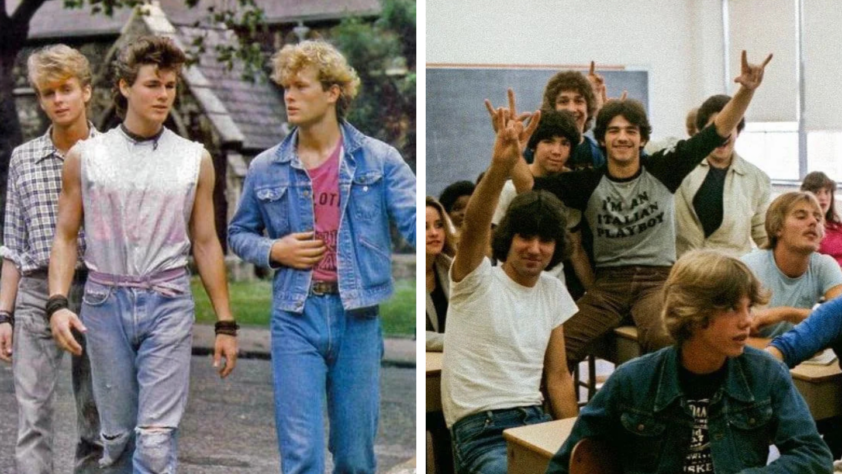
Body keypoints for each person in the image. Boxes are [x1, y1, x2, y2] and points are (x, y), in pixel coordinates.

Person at [48, 36, 238, 472]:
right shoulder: (86, 157)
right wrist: (58, 303)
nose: (163, 95)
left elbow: (207, 242)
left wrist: (226, 322)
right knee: (116, 441)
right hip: (104, 303)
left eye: (170, 86)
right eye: (153, 84)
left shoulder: (194, 159)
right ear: (124, 87)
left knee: (155, 441)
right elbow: (65, 235)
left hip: (168, 302)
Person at [517, 51, 773, 370]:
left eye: (630, 131)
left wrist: (746, 90)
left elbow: (716, 132)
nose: (622, 137)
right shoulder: (587, 181)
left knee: (668, 342)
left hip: (658, 280)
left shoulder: (665, 169)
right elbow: (527, 185)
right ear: (602, 139)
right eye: (613, 131)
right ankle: (559, 420)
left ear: (642, 139)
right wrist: (511, 150)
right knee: (556, 347)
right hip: (608, 284)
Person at [228, 39, 416, 473]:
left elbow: (416, 222)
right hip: (296, 315)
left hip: (358, 318)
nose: (289, 96)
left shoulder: (379, 159)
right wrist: (274, 249)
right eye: (285, 87)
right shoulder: (266, 167)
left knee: (354, 457)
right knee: (303, 456)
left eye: (300, 86)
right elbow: (238, 233)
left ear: (333, 92)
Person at [547, 250, 833, 474]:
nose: (748, 320)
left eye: (748, 307)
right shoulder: (633, 381)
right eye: (733, 308)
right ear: (693, 313)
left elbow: (813, 455)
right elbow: (567, 463)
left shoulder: (765, 373)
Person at [442, 101, 578, 474]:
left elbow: (559, 377)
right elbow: (473, 225)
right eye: (525, 237)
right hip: (481, 429)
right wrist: (502, 165)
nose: (535, 248)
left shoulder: (552, 291)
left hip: (537, 421)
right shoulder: (475, 278)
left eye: (546, 240)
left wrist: (576, 441)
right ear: (507, 238)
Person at [0, 44, 103, 474]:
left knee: (96, 416)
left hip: (98, 290)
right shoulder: (24, 159)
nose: (58, 100)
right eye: (48, 92)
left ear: (86, 92)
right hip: (38, 291)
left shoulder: (111, 154)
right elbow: (12, 245)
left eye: (66, 89)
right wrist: (3, 314)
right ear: (40, 99)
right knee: (33, 416)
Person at [490, 109, 594, 297]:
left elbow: (576, 251)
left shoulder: (570, 189)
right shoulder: (509, 188)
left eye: (564, 144)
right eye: (548, 141)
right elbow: (489, 245)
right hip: (510, 287)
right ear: (533, 145)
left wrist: (595, 294)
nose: (556, 151)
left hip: (553, 287)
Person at [675, 94, 771, 257]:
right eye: (715, 128)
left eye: (730, 127)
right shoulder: (679, 165)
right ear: (701, 133)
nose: (722, 134)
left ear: (738, 131)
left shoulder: (757, 179)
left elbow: (764, 236)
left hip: (732, 273)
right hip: (684, 270)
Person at [741, 191, 842, 337]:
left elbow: (839, 317)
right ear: (777, 228)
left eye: (818, 218)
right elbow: (726, 338)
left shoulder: (824, 265)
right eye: (801, 216)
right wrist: (788, 349)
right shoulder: (748, 268)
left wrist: (784, 313)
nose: (813, 222)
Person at [541, 66, 604, 170]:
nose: (571, 109)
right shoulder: (537, 151)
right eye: (563, 101)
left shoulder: (597, 154)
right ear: (552, 108)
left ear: (588, 108)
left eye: (579, 101)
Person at [426, 196, 455, 352]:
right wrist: (453, 342)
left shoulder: (451, 268)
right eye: (425, 227)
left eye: (439, 225)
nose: (434, 233)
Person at [802, 171, 842, 267]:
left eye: (827, 192)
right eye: (817, 192)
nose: (823, 197)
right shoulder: (804, 229)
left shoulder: (837, 226)